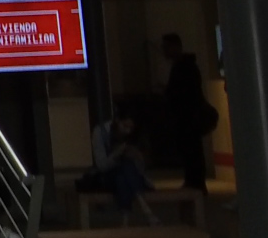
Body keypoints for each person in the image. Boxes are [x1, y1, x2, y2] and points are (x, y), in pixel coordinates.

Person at [161, 33, 215, 191]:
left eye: (166, 47)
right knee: (193, 151)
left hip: (187, 119)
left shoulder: (182, 68)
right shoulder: (187, 66)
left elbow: (183, 94)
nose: (164, 51)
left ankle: (194, 183)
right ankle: (195, 183)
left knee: (191, 152)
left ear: (175, 47)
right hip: (189, 119)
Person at [83, 108, 157, 224]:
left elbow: (141, 168)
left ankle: (126, 220)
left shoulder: (134, 136)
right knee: (123, 170)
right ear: (117, 120)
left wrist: (137, 157)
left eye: (130, 128)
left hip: (130, 176)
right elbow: (101, 165)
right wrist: (115, 155)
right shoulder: (100, 132)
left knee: (123, 174)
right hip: (107, 176)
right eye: (125, 126)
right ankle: (145, 209)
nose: (127, 131)